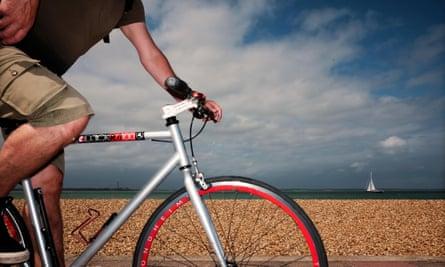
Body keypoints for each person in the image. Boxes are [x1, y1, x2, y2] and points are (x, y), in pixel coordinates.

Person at [0, 0, 222, 265]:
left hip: (37, 81)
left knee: (46, 193)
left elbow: (149, 53)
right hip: (7, 55)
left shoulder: (128, 6)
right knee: (69, 112)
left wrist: (188, 96)